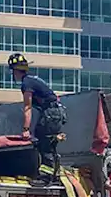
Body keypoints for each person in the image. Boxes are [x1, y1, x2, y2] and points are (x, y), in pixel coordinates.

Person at [8, 53, 68, 183]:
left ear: (14, 71)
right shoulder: (35, 80)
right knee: (49, 143)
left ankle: (46, 177)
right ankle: (54, 176)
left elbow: (27, 108)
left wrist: (25, 129)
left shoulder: (26, 84)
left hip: (51, 114)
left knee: (43, 143)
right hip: (56, 113)